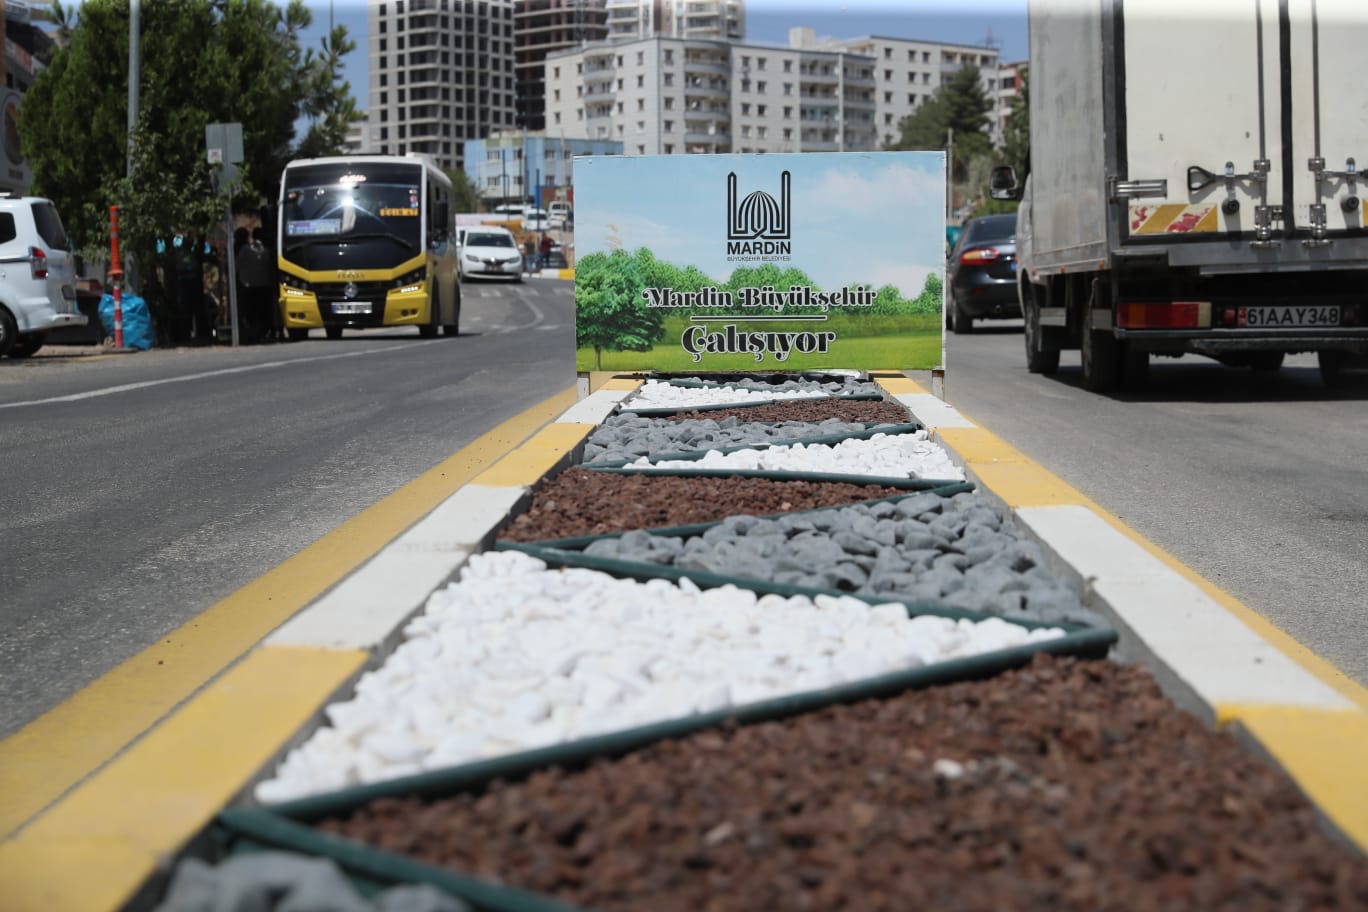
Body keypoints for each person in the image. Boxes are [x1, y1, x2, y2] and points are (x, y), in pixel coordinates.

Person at [237, 227, 276, 343]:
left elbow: (237, 266)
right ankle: (262, 333)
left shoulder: (245, 249)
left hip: (249, 287)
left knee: (250, 312)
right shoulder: (267, 251)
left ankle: (252, 334)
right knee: (263, 312)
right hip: (264, 286)